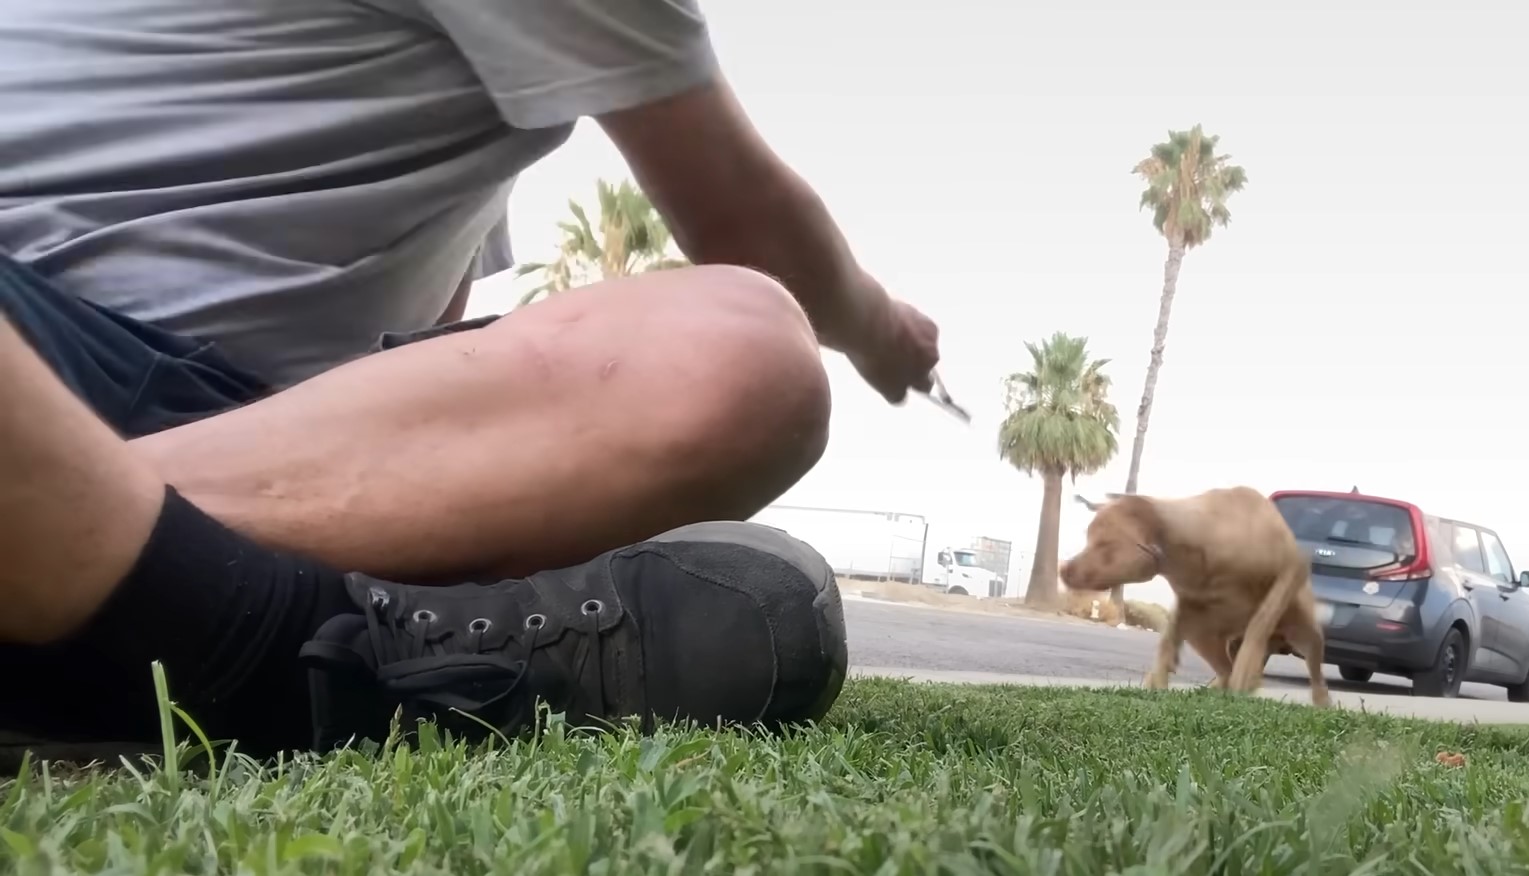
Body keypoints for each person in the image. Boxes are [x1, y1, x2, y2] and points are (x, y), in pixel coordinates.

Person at [0, 0, 941, 762]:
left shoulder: (472, 134)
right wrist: (884, 336)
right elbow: (746, 215)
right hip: (29, 315)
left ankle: (73, 560)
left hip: (243, 430)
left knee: (737, 355)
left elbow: (431, 335)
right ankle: (284, 645)